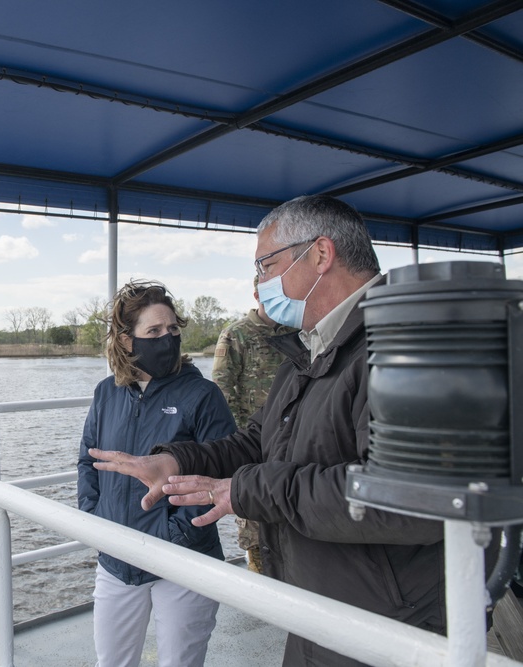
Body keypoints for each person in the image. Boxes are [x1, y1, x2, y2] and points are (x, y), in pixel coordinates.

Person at [90, 195, 447, 667]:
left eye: (266, 265)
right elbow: (255, 443)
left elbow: (401, 497)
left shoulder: (402, 345)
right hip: (321, 607)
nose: (261, 283)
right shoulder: (310, 352)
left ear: (320, 255)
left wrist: (246, 489)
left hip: (387, 622)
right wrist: (178, 460)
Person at [77, 279, 236, 667]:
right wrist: (96, 520)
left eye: (173, 330)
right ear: (128, 341)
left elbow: (224, 469)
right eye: (154, 331)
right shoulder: (107, 393)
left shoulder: (202, 395)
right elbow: (88, 461)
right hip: (116, 558)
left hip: (184, 560)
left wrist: (174, 534)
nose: (167, 339)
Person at [211, 276, 296, 573]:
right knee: (256, 527)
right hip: (253, 443)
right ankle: (261, 580)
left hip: (290, 444)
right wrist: (239, 441)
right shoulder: (237, 334)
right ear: (257, 294)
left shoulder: (295, 333)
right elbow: (222, 391)